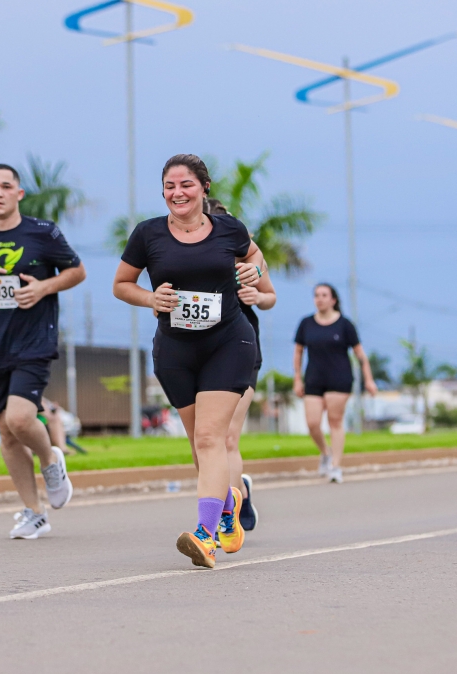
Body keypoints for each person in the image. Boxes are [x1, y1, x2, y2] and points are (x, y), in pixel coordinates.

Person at [113, 154, 265, 568]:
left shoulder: (229, 229)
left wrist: (252, 272)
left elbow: (255, 256)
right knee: (200, 444)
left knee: (211, 438)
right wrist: (150, 298)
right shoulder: (148, 234)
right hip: (176, 350)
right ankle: (228, 503)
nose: (177, 193)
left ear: (204, 188)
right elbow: (121, 285)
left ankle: (205, 535)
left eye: (186, 185)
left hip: (228, 343)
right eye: (170, 186)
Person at [0, 163, 86, 540]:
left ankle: (50, 460)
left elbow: (77, 271)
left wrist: (43, 288)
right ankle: (34, 513)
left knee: (21, 419)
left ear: (18, 193)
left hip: (34, 341)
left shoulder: (42, 232)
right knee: (6, 434)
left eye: (6, 186)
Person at [207, 198, 276, 532]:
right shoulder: (184, 258)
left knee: (228, 437)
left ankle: (227, 515)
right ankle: (239, 493)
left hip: (242, 350)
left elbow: (270, 297)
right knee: (208, 440)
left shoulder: (247, 259)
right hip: (199, 352)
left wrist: (257, 297)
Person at [292, 283, 378, 484]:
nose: (320, 299)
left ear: (333, 300)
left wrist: (369, 379)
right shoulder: (306, 323)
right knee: (312, 423)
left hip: (339, 379)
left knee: (335, 421)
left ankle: (336, 466)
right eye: (316, 295)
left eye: (324, 295)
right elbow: (298, 352)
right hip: (313, 378)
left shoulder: (345, 324)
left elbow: (360, 354)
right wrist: (297, 378)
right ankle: (326, 452)